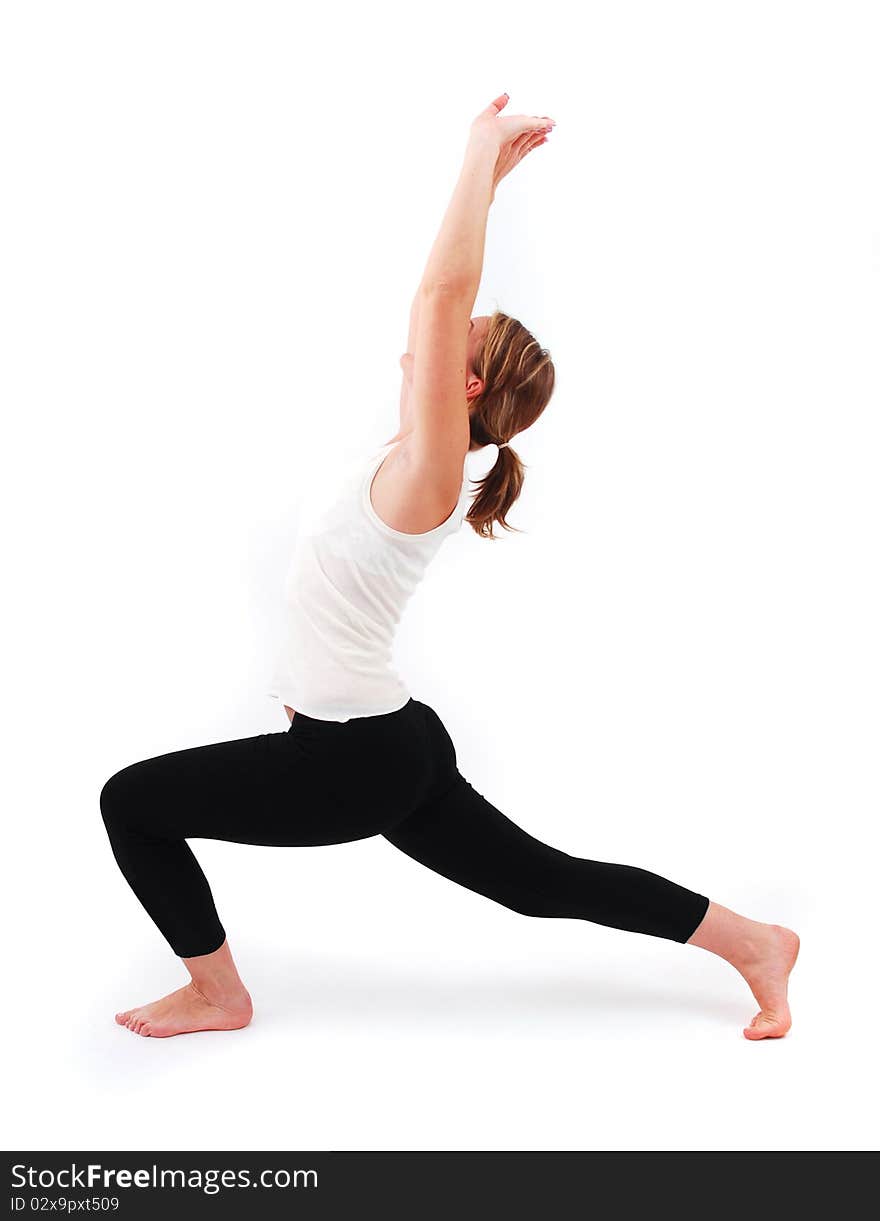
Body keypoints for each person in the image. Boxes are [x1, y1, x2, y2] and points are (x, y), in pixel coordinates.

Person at [100, 93, 799, 1041]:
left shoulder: (433, 470)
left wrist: (479, 158)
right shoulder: (410, 459)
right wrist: (489, 185)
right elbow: (442, 309)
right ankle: (756, 941)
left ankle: (220, 995)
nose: (441, 327)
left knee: (132, 803)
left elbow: (439, 298)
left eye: (460, 340)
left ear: (463, 385)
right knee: (543, 884)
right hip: (392, 741)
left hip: (351, 758)